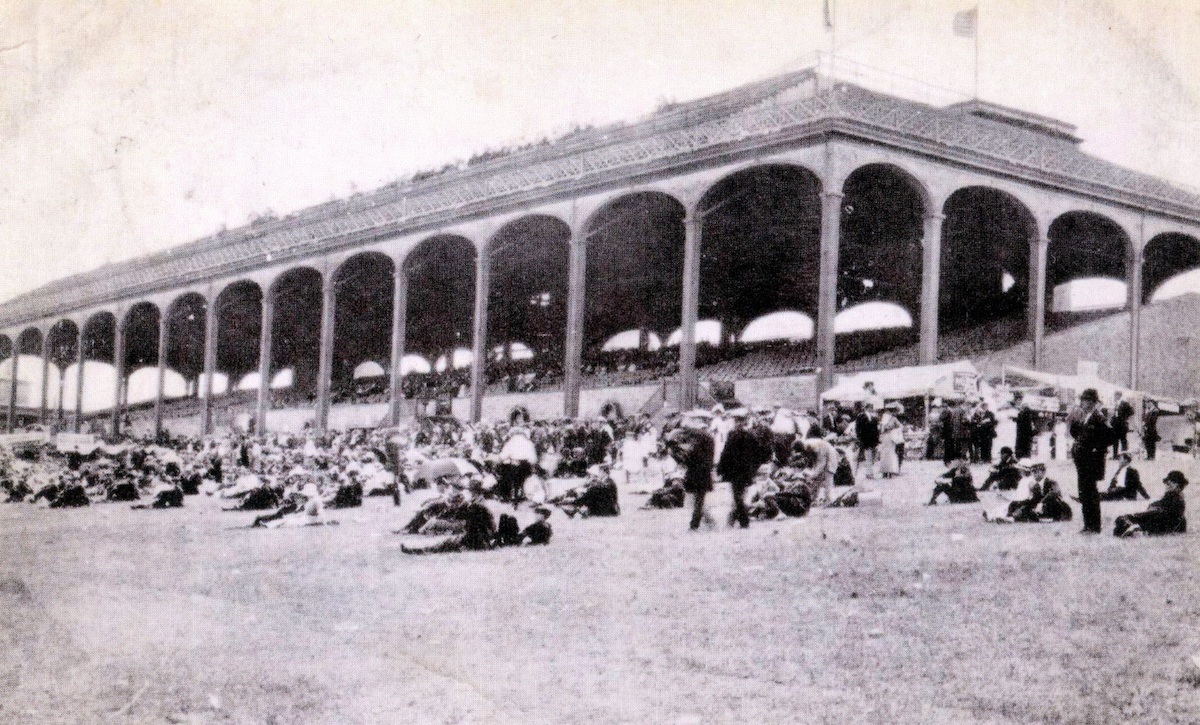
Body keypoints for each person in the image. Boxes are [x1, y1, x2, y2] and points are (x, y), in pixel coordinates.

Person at [401, 480, 496, 554]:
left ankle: (418, 550)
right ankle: (418, 549)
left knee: (447, 544)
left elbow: (471, 520)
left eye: (472, 490)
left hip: (475, 536)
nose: (471, 492)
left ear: (475, 491)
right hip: (473, 535)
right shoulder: (475, 502)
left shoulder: (478, 504)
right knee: (447, 543)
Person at [1068, 388, 1113, 534]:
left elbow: (1109, 437)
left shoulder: (1098, 417)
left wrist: (1096, 450)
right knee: (1084, 494)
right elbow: (1078, 435)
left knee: (1090, 494)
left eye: (1085, 400)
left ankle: (1094, 526)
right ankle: (1088, 525)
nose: (1082, 403)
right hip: (1083, 461)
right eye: (1082, 400)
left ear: (1092, 402)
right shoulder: (1086, 416)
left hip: (1091, 462)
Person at [716, 408, 770, 528]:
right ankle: (734, 519)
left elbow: (726, 452)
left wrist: (720, 468)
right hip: (747, 470)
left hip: (735, 471)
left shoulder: (733, 434)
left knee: (737, 496)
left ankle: (742, 520)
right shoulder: (751, 435)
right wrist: (755, 466)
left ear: (736, 421)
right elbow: (760, 452)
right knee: (741, 495)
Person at [669, 412, 716, 530]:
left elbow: (691, 455)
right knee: (698, 499)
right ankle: (708, 521)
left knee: (697, 500)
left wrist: (681, 456)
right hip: (703, 471)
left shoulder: (697, 439)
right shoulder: (708, 438)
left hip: (696, 471)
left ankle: (696, 523)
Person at [1113, 471, 1188, 537]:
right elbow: (1158, 508)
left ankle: (1132, 526)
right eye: (1167, 483)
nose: (1167, 485)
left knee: (1127, 520)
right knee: (1126, 520)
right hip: (1162, 522)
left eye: (1171, 483)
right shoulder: (1171, 496)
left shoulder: (1176, 499)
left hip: (1165, 524)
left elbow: (1165, 515)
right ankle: (1130, 524)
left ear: (1178, 485)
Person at [855, 404, 881, 480]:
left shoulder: (874, 417)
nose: (871, 409)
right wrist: (860, 438)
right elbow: (858, 428)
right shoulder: (861, 416)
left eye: (872, 408)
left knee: (872, 457)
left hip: (873, 440)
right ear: (866, 408)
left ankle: (869, 472)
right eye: (870, 408)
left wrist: (877, 439)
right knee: (867, 456)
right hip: (865, 439)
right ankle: (869, 473)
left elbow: (876, 429)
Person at [1109, 391, 1134, 460]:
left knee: (1123, 440)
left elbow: (1131, 411)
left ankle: (1124, 455)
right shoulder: (1115, 404)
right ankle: (1115, 455)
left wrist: (1125, 417)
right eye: (1114, 395)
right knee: (1115, 440)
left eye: (1116, 395)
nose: (1115, 397)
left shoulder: (1124, 403)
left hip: (1122, 424)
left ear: (1119, 396)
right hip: (1115, 425)